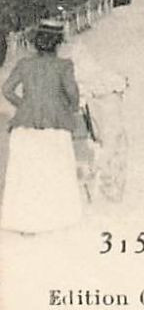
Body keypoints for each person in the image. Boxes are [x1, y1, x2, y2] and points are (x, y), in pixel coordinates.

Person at [1, 18, 85, 233]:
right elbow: (72, 93)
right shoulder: (64, 66)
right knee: (54, 171)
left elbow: (7, 89)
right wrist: (70, 107)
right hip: (54, 124)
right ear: (58, 42)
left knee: (26, 173)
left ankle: (24, 221)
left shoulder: (24, 64)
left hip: (25, 124)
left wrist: (26, 104)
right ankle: (54, 219)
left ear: (36, 41)